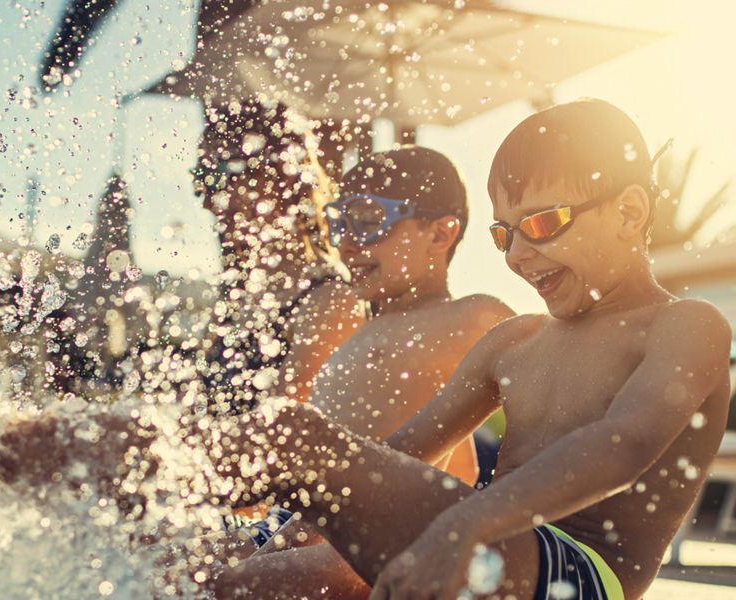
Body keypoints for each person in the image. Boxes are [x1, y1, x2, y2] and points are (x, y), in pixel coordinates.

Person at [199, 99, 732, 599]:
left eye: (543, 223)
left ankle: (173, 480)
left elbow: (625, 446)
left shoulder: (684, 325)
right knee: (232, 577)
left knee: (298, 439)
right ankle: (171, 492)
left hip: (580, 575)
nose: (518, 255)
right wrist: (265, 552)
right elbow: (397, 456)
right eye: (505, 234)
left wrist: (463, 524)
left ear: (630, 212)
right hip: (486, 541)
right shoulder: (516, 341)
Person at [215, 147, 514, 561]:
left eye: (369, 222)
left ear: (439, 234)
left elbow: (550, 389)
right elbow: (460, 461)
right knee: (154, 555)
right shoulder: (367, 328)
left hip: (354, 537)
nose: (346, 244)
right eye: (338, 224)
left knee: (191, 576)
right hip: (298, 522)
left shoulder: (470, 316)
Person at [195, 101, 367, 414]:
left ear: (283, 175)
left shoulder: (328, 301)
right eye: (202, 177)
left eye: (220, 174)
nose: (208, 201)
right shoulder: (240, 293)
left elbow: (279, 429)